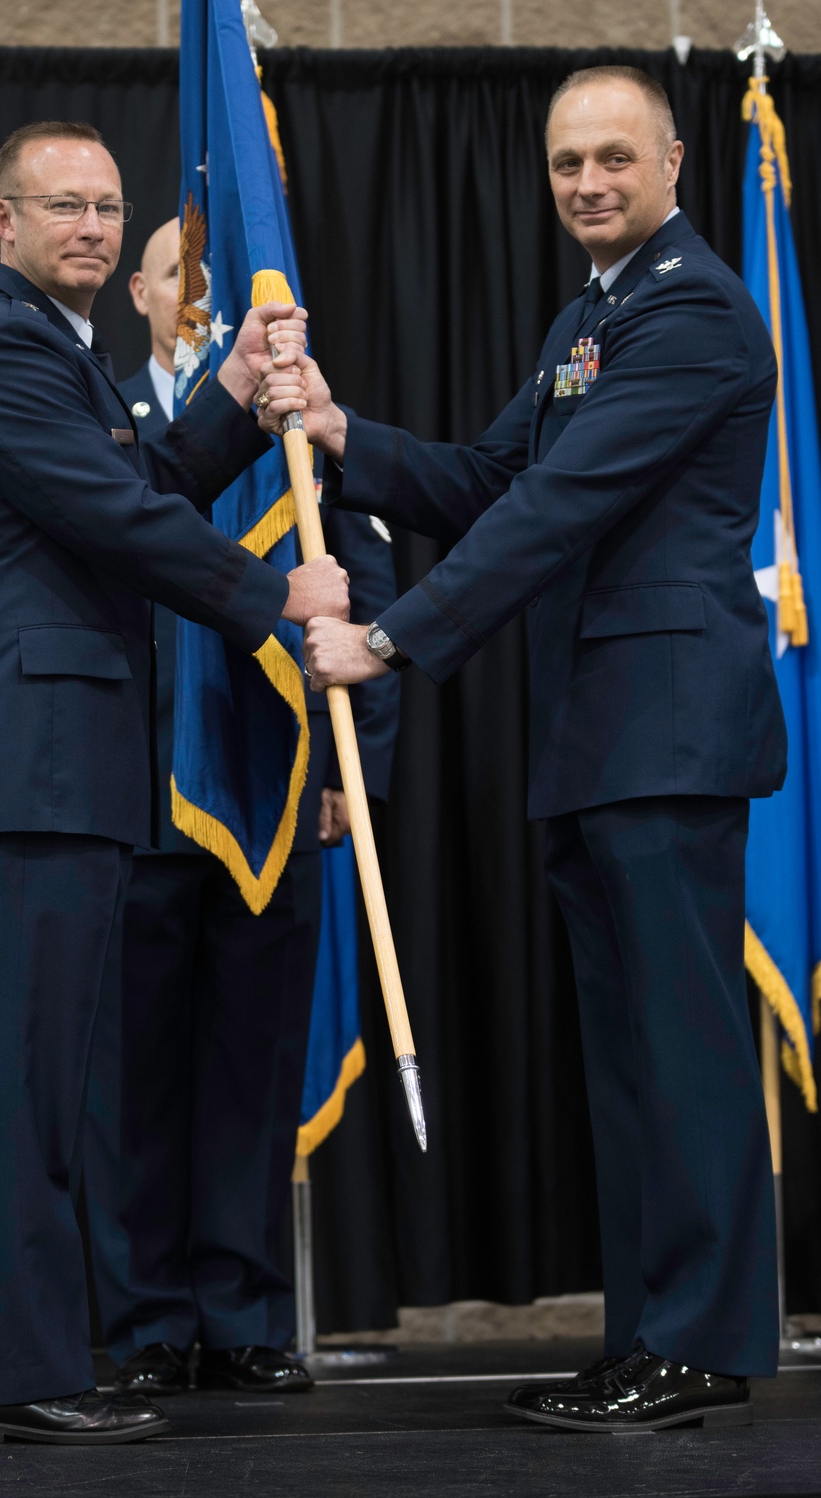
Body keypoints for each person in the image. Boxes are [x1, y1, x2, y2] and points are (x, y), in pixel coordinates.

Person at [258, 66, 785, 1433]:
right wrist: (337, 432)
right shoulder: (590, 315)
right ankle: (652, 1333)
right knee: (626, 1058)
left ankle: (711, 1336)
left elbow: (557, 507)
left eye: (614, 157)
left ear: (675, 160)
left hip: (665, 733)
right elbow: (492, 479)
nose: (589, 183)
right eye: (566, 164)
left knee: (683, 1049)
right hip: (595, 736)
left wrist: (393, 639)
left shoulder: (696, 315)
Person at [0, 120, 349, 1446]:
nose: (95, 227)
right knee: (15, 1086)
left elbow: (146, 477)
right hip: (24, 771)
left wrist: (229, 387)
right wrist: (282, 593)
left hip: (62, 771)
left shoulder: (63, 352)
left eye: (108, 206)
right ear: (3, 221)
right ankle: (10, 1369)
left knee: (45, 1082)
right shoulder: (0, 351)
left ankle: (28, 1356)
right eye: (65, 208)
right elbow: (123, 522)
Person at [82, 220, 399, 1396]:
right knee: (137, 1079)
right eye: (180, 276)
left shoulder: (295, 429)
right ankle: (151, 1325)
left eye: (220, 284)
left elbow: (367, 597)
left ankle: (249, 1312)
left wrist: (345, 767)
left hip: (275, 788)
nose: (201, 300)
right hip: (136, 792)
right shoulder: (97, 413)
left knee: (253, 1067)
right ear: (139, 290)